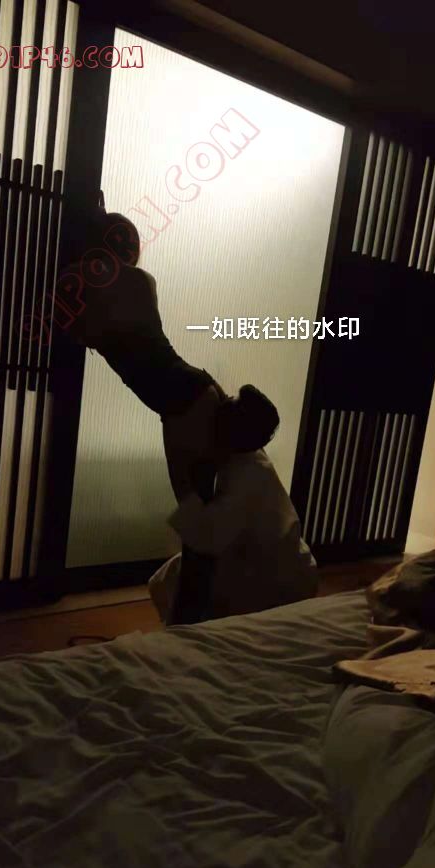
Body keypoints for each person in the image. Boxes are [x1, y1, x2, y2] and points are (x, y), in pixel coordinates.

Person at [58, 207, 291, 621]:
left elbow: (79, 328)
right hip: (190, 395)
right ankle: (191, 616)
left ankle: (192, 614)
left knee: (196, 519)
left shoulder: (109, 281)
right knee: (196, 520)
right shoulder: (133, 282)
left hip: (188, 399)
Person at [149, 385, 318, 624]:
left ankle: (183, 637)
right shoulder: (248, 448)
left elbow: (205, 538)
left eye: (231, 400)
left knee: (178, 584)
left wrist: (179, 472)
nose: (225, 400)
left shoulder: (247, 476)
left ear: (234, 427)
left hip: (276, 575)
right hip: (261, 556)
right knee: (168, 578)